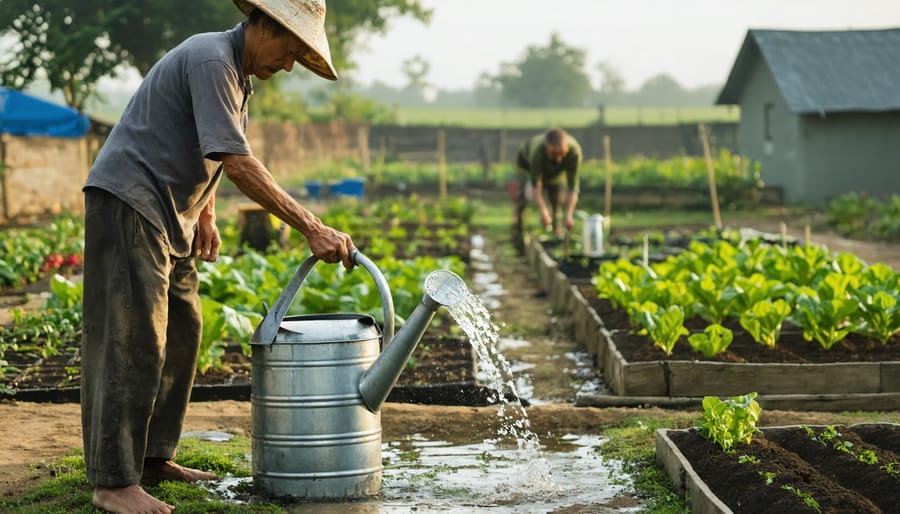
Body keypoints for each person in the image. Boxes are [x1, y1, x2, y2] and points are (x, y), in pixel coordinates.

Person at [79, 1, 353, 513]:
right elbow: (236, 157)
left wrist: (205, 212)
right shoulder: (212, 60)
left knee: (184, 328)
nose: (288, 65)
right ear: (263, 26)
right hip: (130, 201)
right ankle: (113, 483)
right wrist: (312, 227)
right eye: (289, 51)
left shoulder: (235, 73)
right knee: (133, 335)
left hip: (170, 212)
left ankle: (153, 458)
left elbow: (202, 144)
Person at [512, 128, 583, 236]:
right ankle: (518, 225)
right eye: (554, 154)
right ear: (547, 148)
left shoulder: (574, 152)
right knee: (526, 196)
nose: (558, 158)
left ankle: (556, 231)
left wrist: (569, 214)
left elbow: (573, 187)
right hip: (527, 167)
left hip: (555, 174)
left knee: (557, 199)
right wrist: (543, 210)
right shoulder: (537, 152)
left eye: (561, 153)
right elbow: (535, 186)